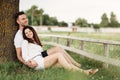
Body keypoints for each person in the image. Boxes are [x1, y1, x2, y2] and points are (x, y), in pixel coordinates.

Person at [14, 11, 81, 68]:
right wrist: (28, 64)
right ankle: (72, 66)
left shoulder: (28, 30)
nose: (26, 20)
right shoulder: (18, 36)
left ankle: (75, 64)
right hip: (34, 58)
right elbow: (19, 56)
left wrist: (38, 45)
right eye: (23, 19)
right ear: (18, 21)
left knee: (58, 48)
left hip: (39, 54)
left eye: (26, 18)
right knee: (58, 54)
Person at [21, 26, 98, 75]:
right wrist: (30, 61)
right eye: (26, 33)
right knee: (58, 55)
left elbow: (39, 52)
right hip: (36, 62)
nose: (28, 33)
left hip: (41, 59)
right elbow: (24, 55)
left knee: (63, 63)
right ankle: (83, 70)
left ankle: (85, 72)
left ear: (32, 31)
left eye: (29, 31)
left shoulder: (34, 41)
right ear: (25, 35)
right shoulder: (25, 41)